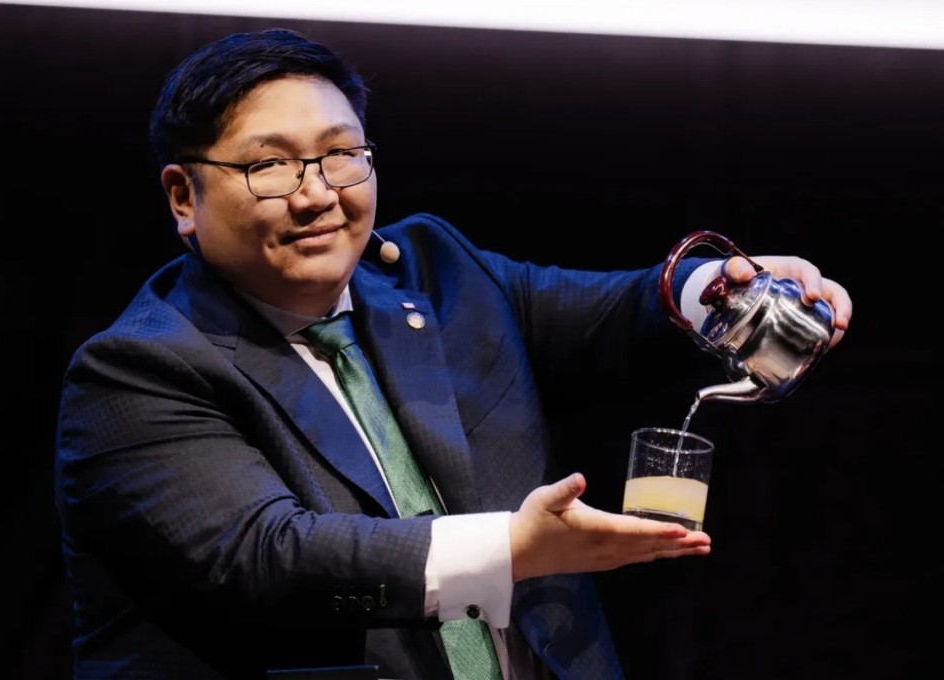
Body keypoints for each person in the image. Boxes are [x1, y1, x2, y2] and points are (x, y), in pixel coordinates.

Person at [53, 27, 852, 680]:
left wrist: (718, 289)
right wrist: (515, 548)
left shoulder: (433, 271)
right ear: (183, 197)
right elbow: (270, 556)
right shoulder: (137, 368)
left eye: (341, 154)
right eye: (269, 166)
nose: (317, 192)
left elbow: (604, 311)